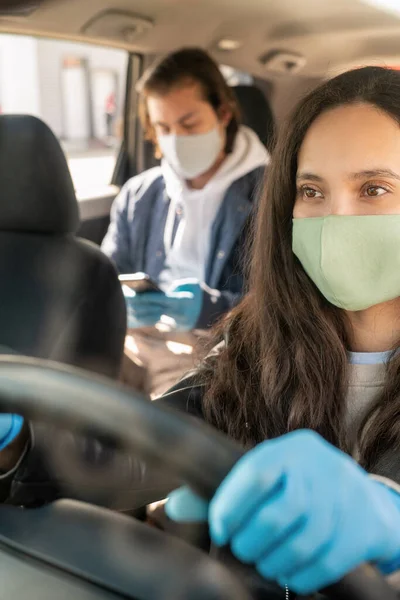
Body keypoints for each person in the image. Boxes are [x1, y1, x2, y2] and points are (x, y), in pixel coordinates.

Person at [2, 65, 400, 597]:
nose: (335, 218)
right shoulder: (257, 343)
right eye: (311, 191)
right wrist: (20, 438)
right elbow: (143, 442)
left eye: (374, 189)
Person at [101, 48, 268, 397]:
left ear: (223, 112)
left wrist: (212, 308)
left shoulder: (267, 193)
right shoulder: (138, 195)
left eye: (189, 124)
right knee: (80, 389)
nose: (176, 139)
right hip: (134, 337)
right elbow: (107, 275)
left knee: (158, 413)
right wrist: (119, 302)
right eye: (163, 128)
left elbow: (278, 302)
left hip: (213, 346)